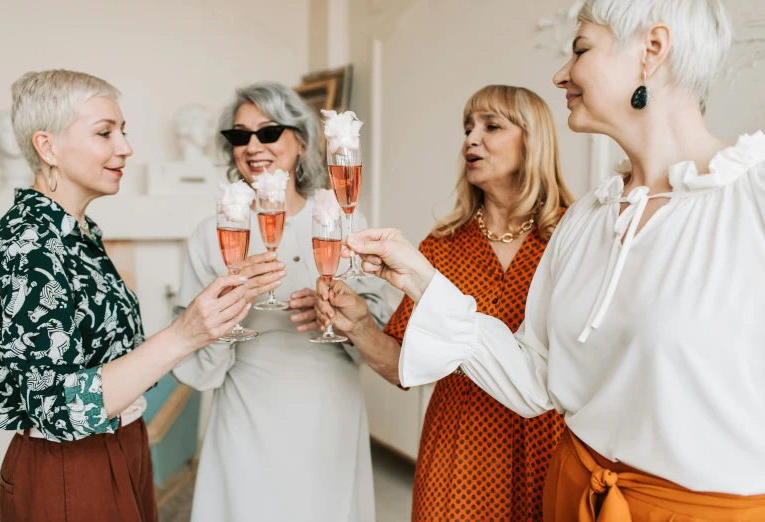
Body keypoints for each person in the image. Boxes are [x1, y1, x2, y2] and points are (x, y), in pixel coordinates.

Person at [336, 1, 765, 520]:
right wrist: (425, 279)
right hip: (570, 494)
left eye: (581, 49)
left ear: (652, 51)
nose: (561, 74)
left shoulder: (751, 198)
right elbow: (534, 379)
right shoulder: (588, 219)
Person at [0, 69, 282, 522]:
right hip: (69, 469)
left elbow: (110, 358)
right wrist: (184, 333)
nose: (125, 147)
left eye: (123, 132)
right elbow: (56, 408)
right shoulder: (27, 244)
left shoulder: (80, 231)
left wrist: (207, 317)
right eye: (105, 132)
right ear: (47, 147)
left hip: (123, 444)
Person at [316, 85, 572, 521]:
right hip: (460, 447)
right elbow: (403, 365)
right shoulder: (442, 246)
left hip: (547, 443)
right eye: (468, 128)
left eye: (491, 126)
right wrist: (359, 327)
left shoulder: (572, 236)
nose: (471, 138)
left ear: (534, 140)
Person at [172, 82, 393, 522]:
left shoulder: (342, 220)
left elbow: (381, 331)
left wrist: (347, 316)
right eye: (239, 136)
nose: (253, 146)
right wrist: (232, 303)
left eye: (268, 132)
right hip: (246, 413)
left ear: (302, 141)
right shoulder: (211, 235)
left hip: (328, 409)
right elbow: (195, 364)